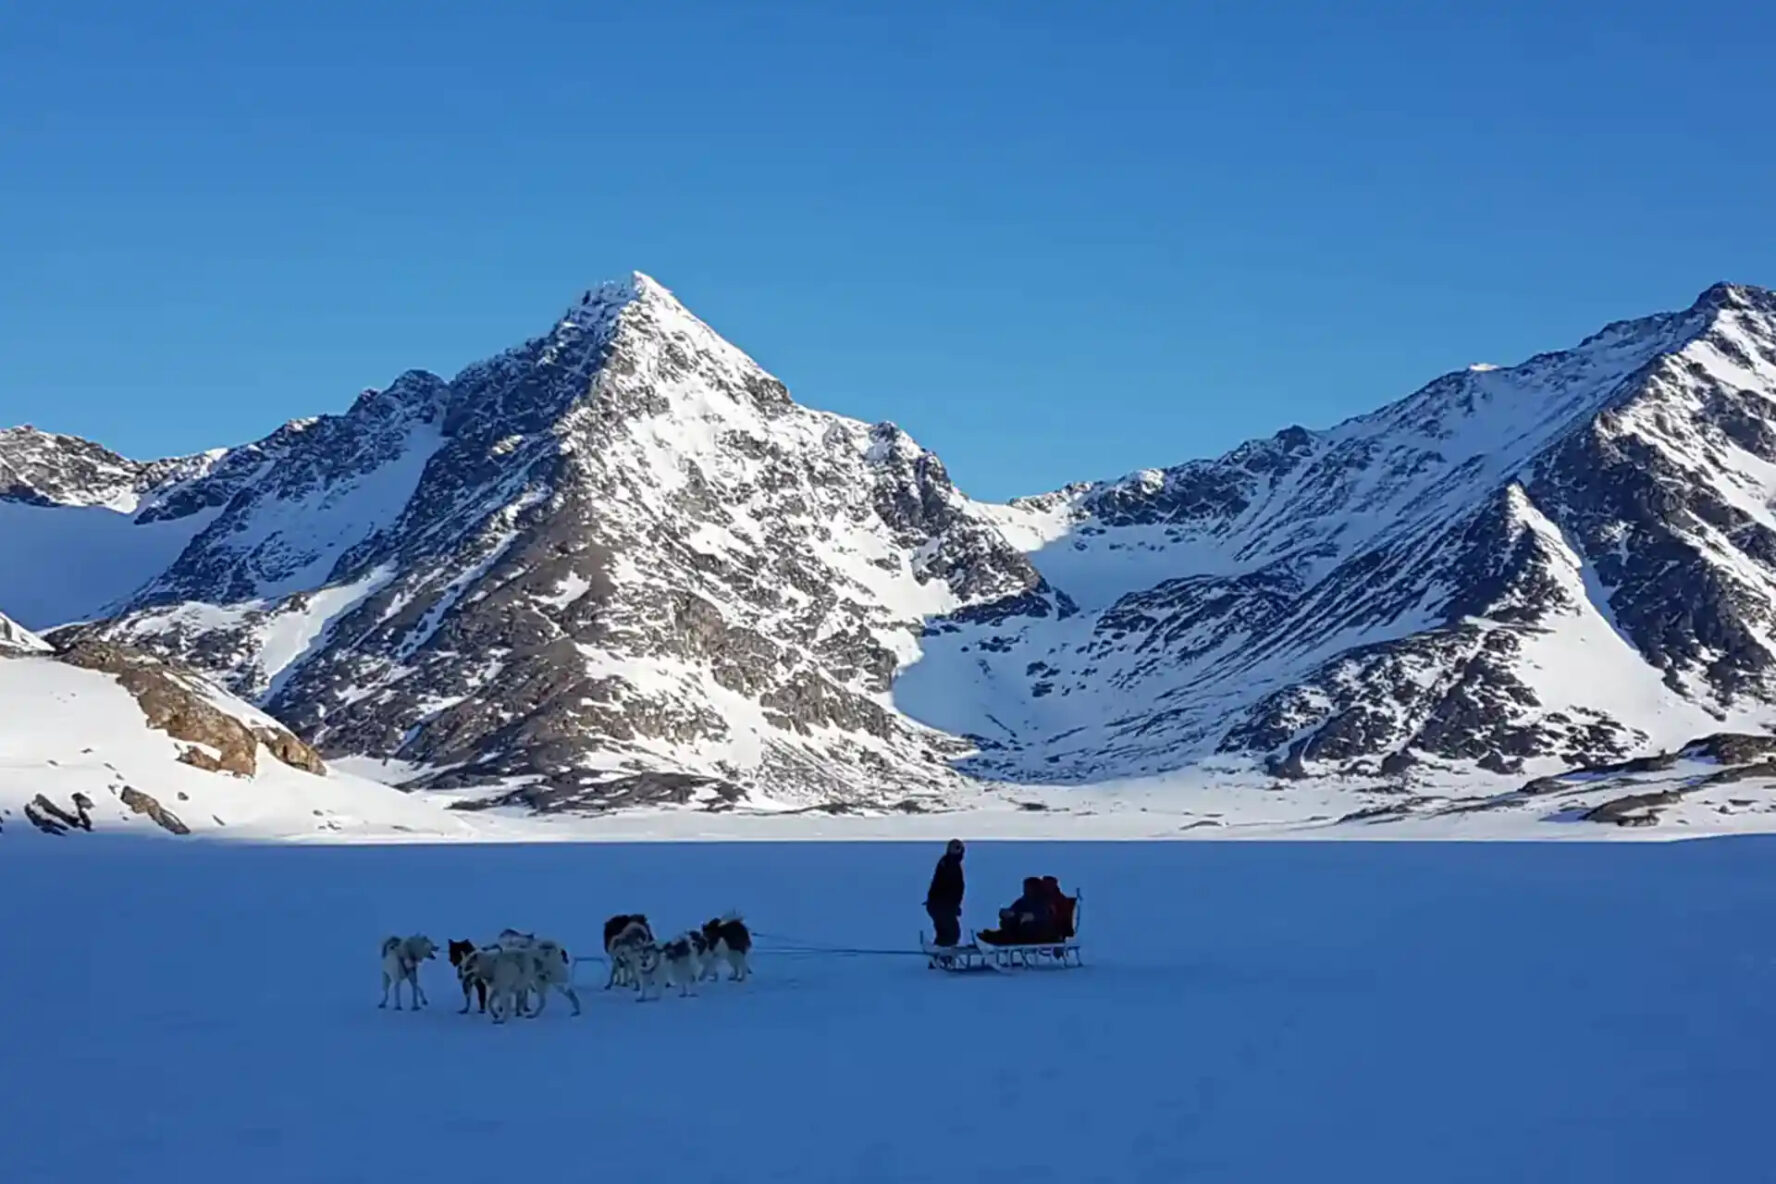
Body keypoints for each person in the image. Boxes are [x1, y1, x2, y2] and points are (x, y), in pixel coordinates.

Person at [925, 839, 966, 946]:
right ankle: (943, 957)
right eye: (956, 848)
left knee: (947, 934)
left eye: (960, 848)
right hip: (942, 906)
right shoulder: (950, 864)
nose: (959, 851)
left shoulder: (948, 863)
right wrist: (951, 906)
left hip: (940, 905)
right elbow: (949, 889)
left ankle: (942, 957)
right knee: (950, 934)